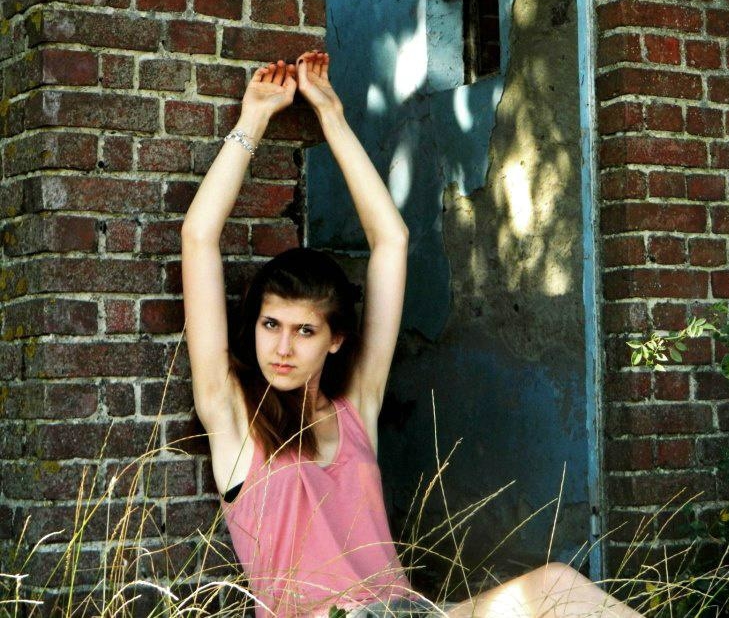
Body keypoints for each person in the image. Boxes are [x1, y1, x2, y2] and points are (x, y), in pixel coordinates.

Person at [181, 51, 644, 618]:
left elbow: (392, 241)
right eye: (270, 325)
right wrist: (253, 120)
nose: (282, 347)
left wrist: (332, 117)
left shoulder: (356, 409)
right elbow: (198, 237)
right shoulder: (232, 415)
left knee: (559, 587)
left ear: (334, 340)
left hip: (407, 613)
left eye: (305, 331)